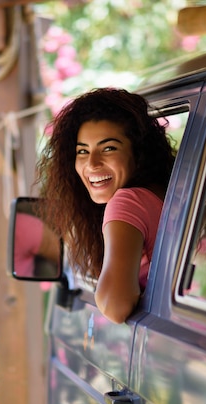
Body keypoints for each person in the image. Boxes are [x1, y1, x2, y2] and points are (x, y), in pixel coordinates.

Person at [35, 87, 176, 323]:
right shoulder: (160, 194)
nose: (92, 163)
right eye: (82, 151)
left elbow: (114, 306)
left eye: (108, 148)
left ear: (138, 153)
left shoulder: (128, 203)